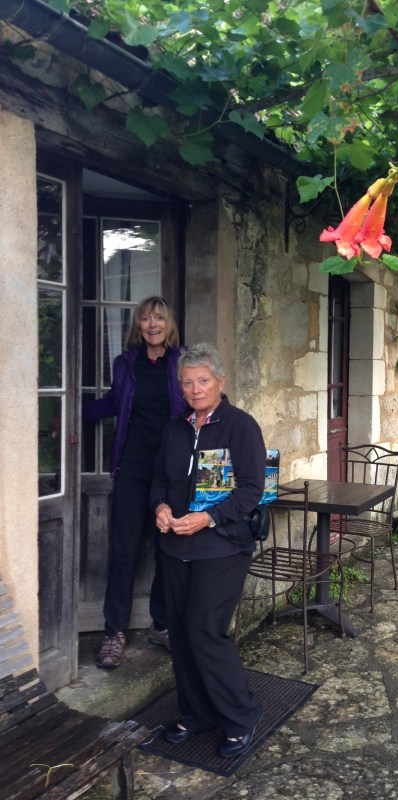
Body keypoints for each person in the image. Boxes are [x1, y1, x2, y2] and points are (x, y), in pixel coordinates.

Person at [150, 343, 264, 758]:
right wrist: (161, 507)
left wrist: (210, 518)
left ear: (220, 382)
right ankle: (197, 712)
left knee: (204, 630)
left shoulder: (240, 426)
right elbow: (159, 479)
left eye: (203, 380)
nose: (195, 389)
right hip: (175, 545)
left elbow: (253, 489)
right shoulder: (175, 426)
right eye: (188, 382)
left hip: (222, 546)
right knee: (180, 634)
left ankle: (240, 715)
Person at [84, 296, 186, 669]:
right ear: (138, 326)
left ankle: (161, 625)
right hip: (132, 468)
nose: (153, 324)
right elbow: (115, 403)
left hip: (172, 473)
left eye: (159, 317)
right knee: (124, 552)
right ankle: (114, 633)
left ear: (168, 323)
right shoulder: (126, 363)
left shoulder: (181, 362)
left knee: (166, 549)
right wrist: (72, 414)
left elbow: (198, 400)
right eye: (146, 318)